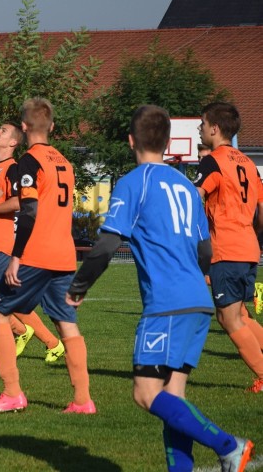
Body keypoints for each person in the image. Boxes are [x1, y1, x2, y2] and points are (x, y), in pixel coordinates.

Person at [67, 104, 254, 472]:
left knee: (145, 393)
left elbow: (106, 245)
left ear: (130, 140)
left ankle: (229, 445)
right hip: (198, 301)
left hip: (166, 304)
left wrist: (78, 286)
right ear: (170, 142)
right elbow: (205, 249)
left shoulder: (135, 181)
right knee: (173, 397)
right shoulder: (187, 185)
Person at [0, 98, 94, 414]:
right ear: (52, 127)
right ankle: (83, 401)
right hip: (65, 255)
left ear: (25, 127)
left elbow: (28, 210)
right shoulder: (65, 163)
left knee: (0, 314)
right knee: (67, 325)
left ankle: (12, 393)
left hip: (36, 253)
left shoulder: (29, 162)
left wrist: (16, 256)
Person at [0, 122, 65, 363]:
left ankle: (19, 330)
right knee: (14, 303)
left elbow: (20, 202)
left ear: (13, 142)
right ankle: (53, 344)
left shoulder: (14, 168)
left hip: (1, 243)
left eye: (4, 131)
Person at [194, 101, 263, 393]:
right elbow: (260, 211)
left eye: (202, 124)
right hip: (249, 247)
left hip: (227, 248)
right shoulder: (248, 163)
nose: (199, 129)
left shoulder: (213, 161)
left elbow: (195, 196)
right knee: (242, 315)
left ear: (214, 128)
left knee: (228, 318)